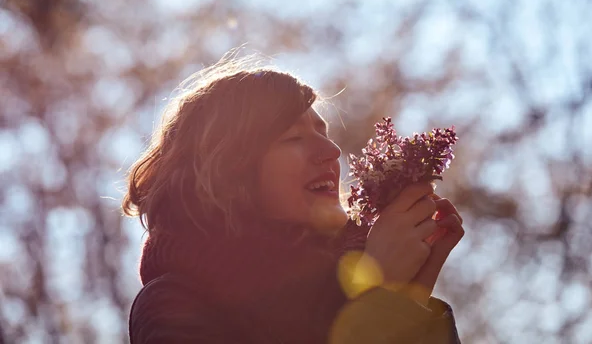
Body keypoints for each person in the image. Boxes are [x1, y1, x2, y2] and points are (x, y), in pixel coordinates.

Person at [123, 53, 464, 344]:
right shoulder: (171, 303)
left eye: (322, 132)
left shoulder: (344, 281)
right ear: (230, 169)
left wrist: (410, 298)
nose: (331, 151)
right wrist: (383, 294)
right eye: (293, 137)